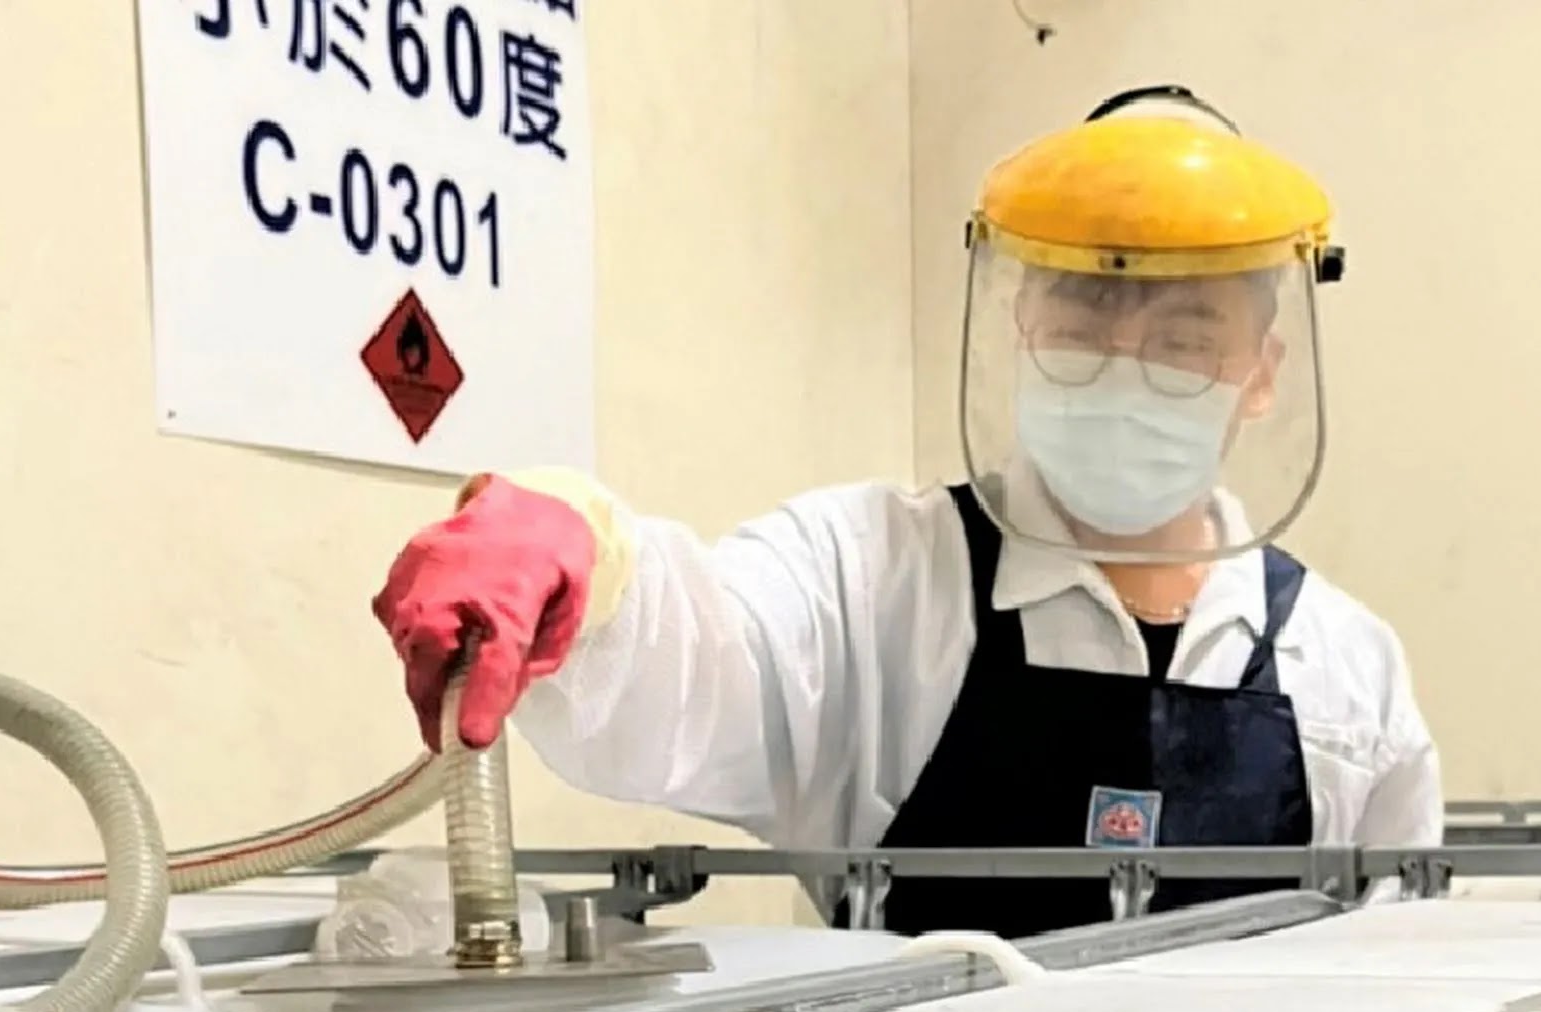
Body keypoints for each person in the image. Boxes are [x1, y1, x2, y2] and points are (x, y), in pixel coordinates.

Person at [372, 86, 1441, 938]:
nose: (1125, 364)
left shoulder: (1348, 670)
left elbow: (1402, 990)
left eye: (1185, 335)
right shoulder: (874, 577)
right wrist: (590, 561)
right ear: (1022, 321)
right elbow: (699, 661)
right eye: (1085, 314)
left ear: (1262, 370)